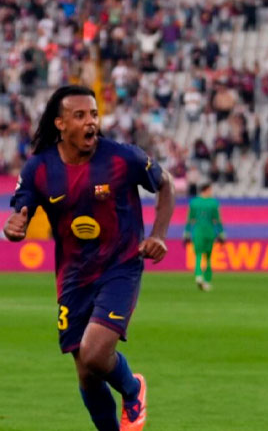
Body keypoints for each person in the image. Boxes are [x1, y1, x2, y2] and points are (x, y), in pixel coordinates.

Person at [3, 85, 175, 431]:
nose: (90, 122)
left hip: (120, 266)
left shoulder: (122, 158)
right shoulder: (40, 168)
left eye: (94, 114)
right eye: (80, 115)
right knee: (86, 373)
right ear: (61, 124)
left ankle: (133, 388)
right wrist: (15, 224)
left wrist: (157, 235)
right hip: (73, 277)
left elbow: (165, 183)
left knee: (96, 353)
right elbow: (21, 209)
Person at [183, 182, 225, 291]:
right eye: (210, 190)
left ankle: (198, 276)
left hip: (198, 232)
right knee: (209, 258)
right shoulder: (213, 203)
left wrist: (186, 233)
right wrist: (221, 233)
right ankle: (207, 281)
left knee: (198, 256)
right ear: (207, 190)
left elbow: (189, 219)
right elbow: (217, 220)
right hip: (210, 232)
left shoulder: (194, 202)